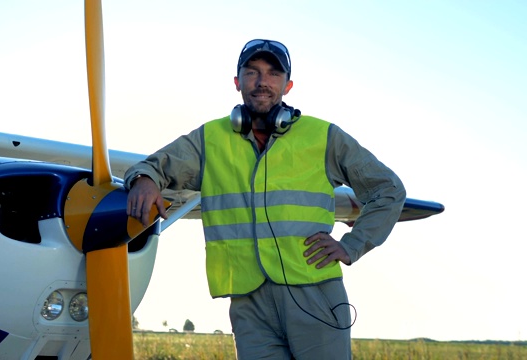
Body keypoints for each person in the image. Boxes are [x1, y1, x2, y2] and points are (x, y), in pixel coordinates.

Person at [124, 39, 406, 359]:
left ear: (288, 85)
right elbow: (150, 166)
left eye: (273, 73)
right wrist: (144, 180)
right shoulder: (209, 140)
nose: (262, 82)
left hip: (316, 296)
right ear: (237, 82)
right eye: (252, 72)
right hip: (248, 305)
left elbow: (388, 189)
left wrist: (353, 244)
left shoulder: (323, 137)